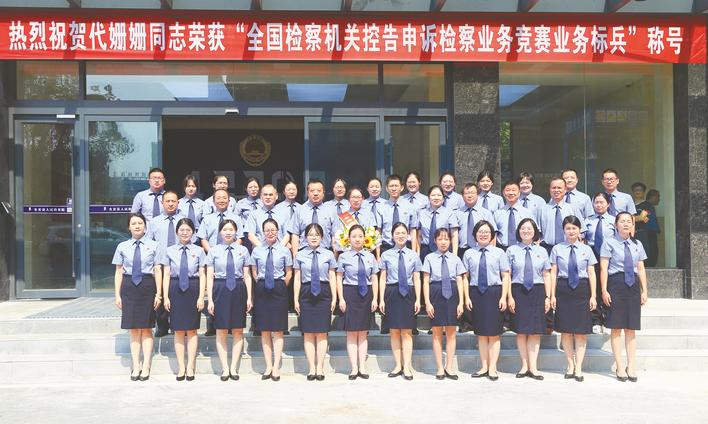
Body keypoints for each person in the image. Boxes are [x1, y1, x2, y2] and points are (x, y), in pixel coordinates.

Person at [112, 213, 164, 381]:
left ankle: (146, 365)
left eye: (140, 223)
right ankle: (136, 365)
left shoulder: (154, 245)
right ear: (129, 227)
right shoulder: (122, 246)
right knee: (133, 328)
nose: (137, 226)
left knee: (147, 328)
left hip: (147, 286)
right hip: (129, 288)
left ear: (145, 226)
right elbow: (118, 271)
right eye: (133, 223)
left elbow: (158, 270)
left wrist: (159, 294)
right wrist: (117, 295)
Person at [600, 211, 649, 382]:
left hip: (633, 286)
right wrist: (604, 290)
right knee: (616, 327)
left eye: (629, 221)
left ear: (633, 225)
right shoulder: (609, 242)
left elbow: (641, 268)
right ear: (616, 224)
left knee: (631, 328)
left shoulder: (637, 244)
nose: (626, 224)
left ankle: (631, 366)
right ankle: (620, 366)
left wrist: (644, 291)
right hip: (616, 284)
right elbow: (604, 268)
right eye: (622, 221)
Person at [550, 215, 597, 382]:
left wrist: (593, 295)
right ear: (564, 230)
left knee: (581, 332)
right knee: (566, 330)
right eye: (568, 228)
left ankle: (579, 367)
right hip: (563, 289)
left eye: (574, 228)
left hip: (582, 290)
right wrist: (552, 295)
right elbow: (553, 273)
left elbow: (591, 273)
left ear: (579, 230)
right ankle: (570, 365)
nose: (571, 231)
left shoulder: (587, 249)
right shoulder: (557, 249)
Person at [463, 220, 511, 381]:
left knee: (494, 333)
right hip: (476, 293)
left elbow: (505, 276)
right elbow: (465, 277)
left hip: (494, 293)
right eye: (480, 232)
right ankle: (484, 366)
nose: (483, 234)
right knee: (481, 333)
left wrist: (504, 297)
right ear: (475, 234)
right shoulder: (469, 253)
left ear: (492, 235)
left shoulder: (499, 253)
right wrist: (466, 297)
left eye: (486, 232)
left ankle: (493, 367)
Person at [206, 219, 252, 381]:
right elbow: (209, 277)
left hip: (238, 289)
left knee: (238, 329)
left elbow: (247, 276)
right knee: (221, 330)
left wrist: (249, 297)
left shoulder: (243, 250)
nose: (228, 232)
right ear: (220, 232)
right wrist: (210, 299)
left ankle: (234, 367)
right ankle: (225, 368)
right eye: (225, 229)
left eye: (231, 229)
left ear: (236, 232)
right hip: (220, 288)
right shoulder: (214, 251)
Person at [160, 218, 206, 381]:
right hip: (175, 289)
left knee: (192, 330)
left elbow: (202, 274)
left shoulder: (199, 251)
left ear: (193, 232)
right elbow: (166, 274)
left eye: (188, 230)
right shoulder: (169, 250)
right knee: (178, 330)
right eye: (182, 230)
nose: (185, 233)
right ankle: (181, 367)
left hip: (193, 288)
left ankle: (191, 366)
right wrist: (165, 296)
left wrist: (201, 297)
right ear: (177, 232)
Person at [506, 218, 551, 380]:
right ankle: (524, 366)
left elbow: (546, 274)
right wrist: (509, 296)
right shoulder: (511, 250)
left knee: (534, 331)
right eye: (523, 228)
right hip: (518, 291)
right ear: (518, 231)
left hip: (537, 291)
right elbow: (507, 275)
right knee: (521, 330)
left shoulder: (542, 251)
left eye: (529, 228)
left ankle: (533, 367)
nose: (526, 231)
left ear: (535, 231)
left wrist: (548, 296)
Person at [249, 218, 293, 381]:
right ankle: (268, 366)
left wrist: (279, 285)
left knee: (278, 329)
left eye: (273, 230)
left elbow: (289, 273)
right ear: (262, 232)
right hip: (262, 289)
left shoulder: (284, 250)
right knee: (265, 329)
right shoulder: (257, 250)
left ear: (277, 231)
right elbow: (254, 272)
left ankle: (276, 367)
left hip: (279, 288)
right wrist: (263, 284)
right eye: (267, 230)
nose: (270, 233)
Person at [293, 223, 338, 381]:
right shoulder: (300, 255)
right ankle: (311, 367)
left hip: (323, 292)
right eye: (310, 234)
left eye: (317, 234)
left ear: (322, 237)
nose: (313, 237)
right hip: (306, 292)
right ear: (305, 237)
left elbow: (332, 276)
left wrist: (334, 297)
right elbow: (297, 278)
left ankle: (320, 367)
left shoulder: (328, 254)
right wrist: (295, 299)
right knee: (308, 332)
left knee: (322, 332)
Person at [379, 223, 422, 380]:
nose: (400, 235)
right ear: (392, 235)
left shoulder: (414, 255)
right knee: (394, 331)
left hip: (408, 293)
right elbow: (382, 278)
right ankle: (398, 365)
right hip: (392, 293)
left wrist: (418, 299)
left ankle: (407, 366)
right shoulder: (386, 255)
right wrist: (381, 299)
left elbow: (417, 278)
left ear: (408, 235)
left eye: (403, 233)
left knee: (407, 332)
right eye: (397, 233)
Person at [336, 225, 379, 380]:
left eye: (360, 236)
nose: (357, 239)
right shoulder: (343, 257)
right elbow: (339, 278)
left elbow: (374, 277)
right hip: (350, 294)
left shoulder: (370, 256)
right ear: (349, 239)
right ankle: (354, 367)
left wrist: (375, 298)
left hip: (366, 294)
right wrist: (341, 298)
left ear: (365, 238)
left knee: (363, 332)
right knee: (351, 332)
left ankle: (362, 367)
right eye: (354, 236)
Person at [423, 228, 465, 380]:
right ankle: (440, 368)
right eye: (440, 239)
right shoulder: (429, 258)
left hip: (452, 294)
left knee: (451, 332)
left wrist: (461, 302)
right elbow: (425, 281)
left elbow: (460, 281)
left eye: (446, 239)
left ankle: (449, 367)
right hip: (435, 293)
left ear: (450, 241)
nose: (443, 242)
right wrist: (427, 302)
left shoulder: (456, 259)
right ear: (435, 241)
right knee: (436, 333)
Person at [146, 190, 185, 337]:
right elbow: (149, 244)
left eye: (173, 201)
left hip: (179, 263)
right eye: (167, 201)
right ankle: (162, 326)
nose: (170, 204)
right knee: (161, 294)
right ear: (162, 203)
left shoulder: (183, 220)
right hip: (161, 264)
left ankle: (177, 325)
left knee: (178, 294)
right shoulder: (154, 222)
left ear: (178, 203)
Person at [583, 192, 617, 333]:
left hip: (610, 255)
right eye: (596, 202)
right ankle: (596, 320)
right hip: (593, 254)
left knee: (609, 287)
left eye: (602, 202)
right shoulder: (587, 220)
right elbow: (582, 239)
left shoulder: (614, 220)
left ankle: (608, 319)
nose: (599, 205)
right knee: (595, 287)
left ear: (608, 204)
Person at [288, 179, 336, 257]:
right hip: (304, 254)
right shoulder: (300, 210)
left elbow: (334, 236)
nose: (315, 193)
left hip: (325, 254)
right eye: (312, 191)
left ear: (323, 193)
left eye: (319, 191)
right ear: (307, 193)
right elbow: (295, 235)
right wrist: (295, 257)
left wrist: (335, 258)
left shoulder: (330, 211)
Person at [540, 177, 582, 254]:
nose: (556, 190)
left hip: (569, 248)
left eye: (559, 188)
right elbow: (537, 231)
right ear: (550, 190)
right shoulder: (542, 209)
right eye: (553, 188)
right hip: (547, 249)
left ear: (565, 190)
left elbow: (581, 230)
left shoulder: (573, 208)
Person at [378, 174, 419, 254]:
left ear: (402, 187)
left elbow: (413, 230)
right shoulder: (381, 208)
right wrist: (378, 254)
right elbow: (378, 232)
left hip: (406, 247)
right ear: (386, 189)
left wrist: (413, 252)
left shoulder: (410, 207)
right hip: (386, 247)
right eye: (391, 186)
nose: (394, 189)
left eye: (396, 186)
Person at [418, 185, 460, 261]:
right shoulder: (422, 213)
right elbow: (419, 236)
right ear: (428, 198)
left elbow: (454, 235)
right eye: (433, 195)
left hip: (444, 250)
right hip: (425, 250)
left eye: (439, 195)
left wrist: (454, 255)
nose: (436, 198)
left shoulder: (449, 213)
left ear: (443, 198)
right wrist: (417, 253)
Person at [333, 187, 378, 255]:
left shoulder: (369, 214)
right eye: (353, 197)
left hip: (367, 252)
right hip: (348, 253)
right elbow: (339, 236)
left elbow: (373, 234)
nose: (356, 200)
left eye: (358, 197)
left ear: (363, 199)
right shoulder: (343, 216)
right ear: (348, 199)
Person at [493, 180, 534, 250]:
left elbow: (534, 233)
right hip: (502, 249)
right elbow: (493, 235)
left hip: (522, 249)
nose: (511, 193)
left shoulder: (527, 213)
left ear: (519, 193)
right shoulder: (497, 213)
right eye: (508, 190)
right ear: (503, 193)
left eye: (513, 190)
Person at [635, 189, 660, 267]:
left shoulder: (650, 207)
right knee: (650, 254)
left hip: (650, 233)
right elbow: (642, 218)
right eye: (657, 197)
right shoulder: (647, 205)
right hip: (647, 234)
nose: (659, 199)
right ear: (652, 197)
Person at [178, 175, 205, 239]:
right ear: (184, 187)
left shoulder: (203, 204)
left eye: (193, 186)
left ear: (197, 188)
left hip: (198, 236)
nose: (191, 189)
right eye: (188, 186)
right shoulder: (178, 203)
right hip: (182, 235)